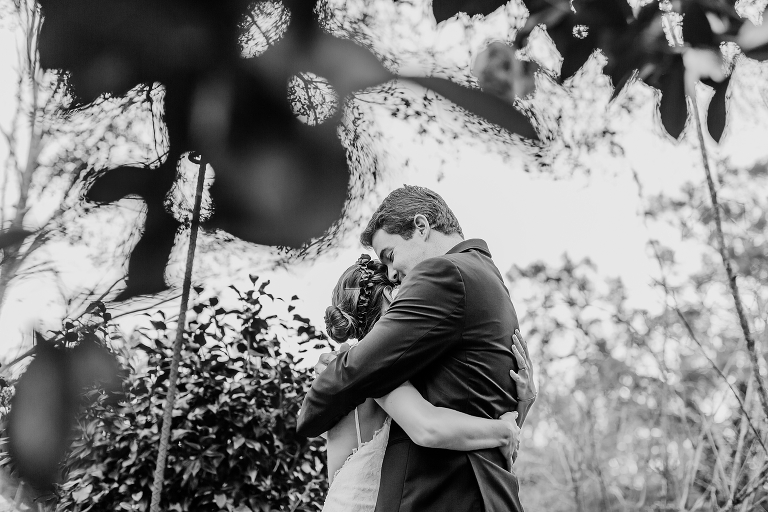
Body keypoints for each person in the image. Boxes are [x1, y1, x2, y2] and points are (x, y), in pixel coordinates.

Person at [298, 185, 536, 512]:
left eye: (391, 256)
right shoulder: (383, 371)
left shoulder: (445, 279)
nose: (400, 282)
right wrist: (508, 425)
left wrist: (518, 411)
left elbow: (467, 420)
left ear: (422, 227)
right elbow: (431, 426)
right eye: (399, 296)